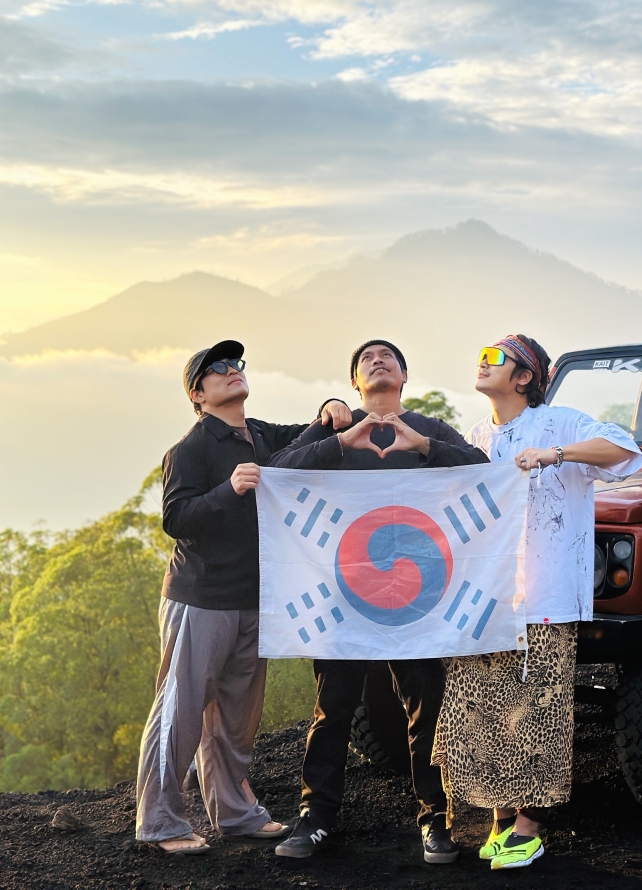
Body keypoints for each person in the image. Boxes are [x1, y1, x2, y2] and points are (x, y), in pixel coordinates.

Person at [269, 339, 489, 864]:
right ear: (354, 384)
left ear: (405, 376)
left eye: (388, 355)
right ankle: (315, 817)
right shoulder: (335, 430)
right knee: (333, 710)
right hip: (345, 596)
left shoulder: (429, 429)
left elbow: (481, 469)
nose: (377, 359)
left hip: (419, 597)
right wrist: (340, 439)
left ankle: (436, 818)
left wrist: (424, 446)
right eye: (365, 358)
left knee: (426, 707)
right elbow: (278, 468)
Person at [432, 335, 642, 871]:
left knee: (539, 715)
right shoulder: (478, 434)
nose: (482, 363)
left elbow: (627, 451)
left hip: (547, 599)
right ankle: (501, 824)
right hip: (489, 602)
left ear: (524, 376)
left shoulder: (561, 422)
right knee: (486, 715)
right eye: (479, 354)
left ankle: (530, 829)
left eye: (495, 358)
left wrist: (557, 455)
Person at [135, 339, 352, 854]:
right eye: (218, 369)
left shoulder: (259, 434)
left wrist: (329, 409)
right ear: (199, 393)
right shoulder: (190, 449)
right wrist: (227, 489)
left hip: (254, 598)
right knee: (181, 711)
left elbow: (305, 438)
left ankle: (234, 815)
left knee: (236, 717)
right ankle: (160, 823)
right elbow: (175, 519)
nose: (232, 371)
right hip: (201, 599)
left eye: (236, 364)